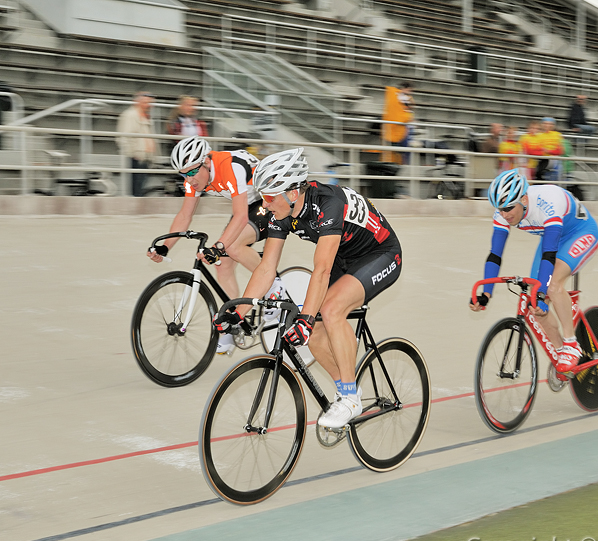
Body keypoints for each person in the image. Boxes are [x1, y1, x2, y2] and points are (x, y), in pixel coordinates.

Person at [213, 148, 403, 429]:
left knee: (329, 311)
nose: (264, 204)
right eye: (263, 196)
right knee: (313, 335)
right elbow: (266, 268)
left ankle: (350, 399)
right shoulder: (281, 211)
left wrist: (306, 317)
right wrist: (239, 311)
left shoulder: (329, 204)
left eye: (270, 197)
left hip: (381, 254)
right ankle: (345, 390)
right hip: (345, 256)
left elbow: (322, 269)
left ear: (292, 192)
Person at [147, 136, 282, 355]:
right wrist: (165, 247)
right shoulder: (195, 177)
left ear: (207, 162)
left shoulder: (231, 167)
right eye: (182, 175)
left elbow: (239, 217)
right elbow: (185, 215)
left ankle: (274, 284)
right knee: (223, 266)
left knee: (231, 247)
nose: (188, 180)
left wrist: (218, 247)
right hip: (248, 205)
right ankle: (234, 323)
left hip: (271, 201)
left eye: (191, 172)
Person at [469, 169, 598, 372]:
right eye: (500, 209)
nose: (504, 214)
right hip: (551, 238)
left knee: (552, 286)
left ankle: (571, 343)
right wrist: (486, 293)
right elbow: (495, 254)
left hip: (580, 233)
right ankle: (561, 356)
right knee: (535, 306)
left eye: (508, 208)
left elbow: (549, 254)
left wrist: (542, 293)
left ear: (524, 199)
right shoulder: (503, 212)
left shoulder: (548, 202)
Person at [116, 91, 157, 197]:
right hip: (137, 156)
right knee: (136, 188)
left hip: (144, 156)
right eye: (145, 102)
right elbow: (124, 136)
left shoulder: (145, 116)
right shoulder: (130, 115)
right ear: (137, 102)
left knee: (140, 186)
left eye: (149, 102)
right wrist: (133, 153)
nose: (148, 105)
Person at [381, 81, 415, 164]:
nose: (410, 92)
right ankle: (404, 164)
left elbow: (409, 110)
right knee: (404, 148)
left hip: (403, 126)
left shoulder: (404, 97)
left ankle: (403, 164)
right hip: (400, 126)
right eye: (409, 90)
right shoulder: (400, 97)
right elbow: (407, 111)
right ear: (404, 88)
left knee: (404, 149)